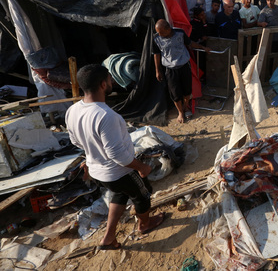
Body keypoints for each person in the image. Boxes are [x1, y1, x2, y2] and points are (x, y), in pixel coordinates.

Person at [66, 64, 165, 250]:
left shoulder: (73, 110)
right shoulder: (106, 116)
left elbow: (76, 141)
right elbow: (116, 154)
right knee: (142, 194)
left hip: (97, 171)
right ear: (103, 85)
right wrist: (141, 167)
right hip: (119, 171)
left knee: (119, 193)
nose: (113, 82)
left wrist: (93, 153)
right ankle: (145, 224)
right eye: (110, 79)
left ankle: (108, 237)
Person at [153, 19, 209, 123]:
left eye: (161, 32)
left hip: (184, 66)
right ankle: (180, 112)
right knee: (175, 93)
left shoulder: (180, 33)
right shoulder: (156, 38)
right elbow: (156, 54)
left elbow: (190, 43)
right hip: (170, 69)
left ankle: (185, 107)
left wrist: (202, 47)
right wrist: (158, 70)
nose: (159, 34)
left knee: (187, 90)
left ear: (168, 29)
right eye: (158, 32)